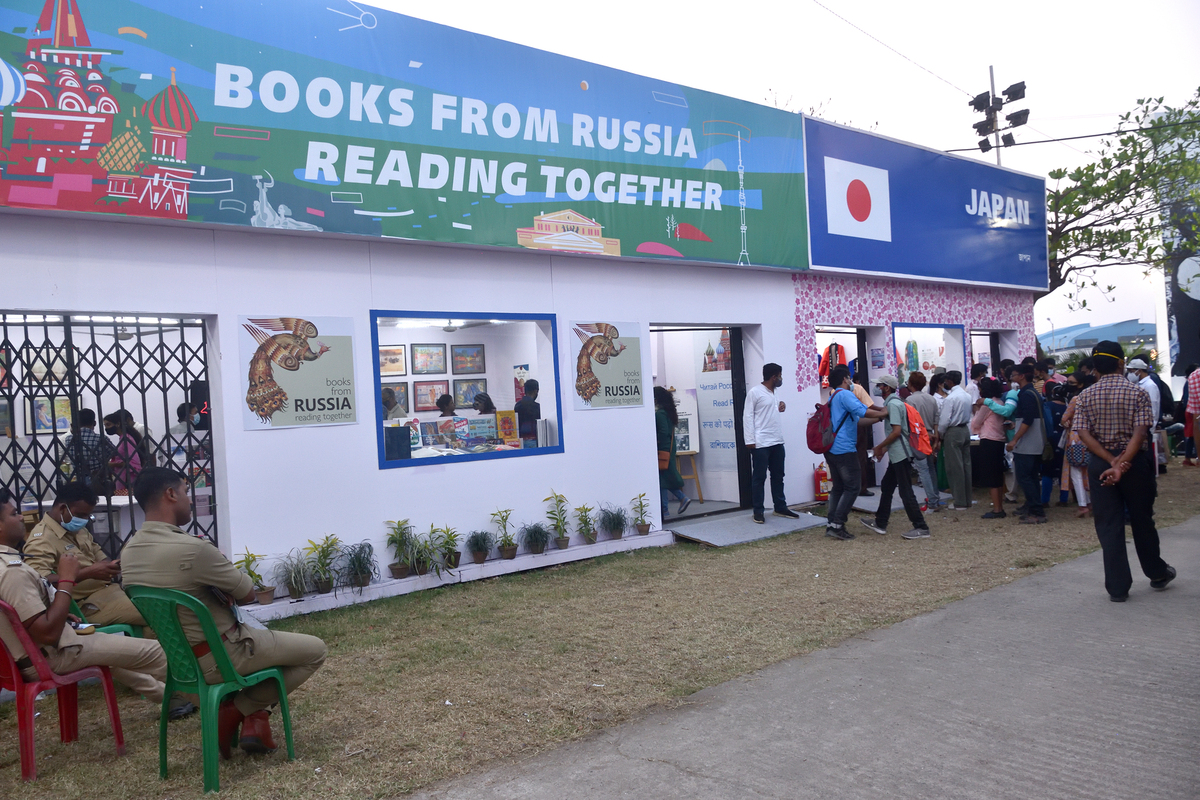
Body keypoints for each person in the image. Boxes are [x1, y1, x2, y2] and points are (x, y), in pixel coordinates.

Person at [121, 468, 328, 757]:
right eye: (185, 492)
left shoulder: (129, 552)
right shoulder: (192, 549)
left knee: (268, 645)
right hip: (224, 658)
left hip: (180, 664)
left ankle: (257, 720)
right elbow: (248, 594)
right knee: (314, 650)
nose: (189, 501)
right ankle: (236, 711)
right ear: (171, 495)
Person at [0, 487, 169, 706]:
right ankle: (212, 696)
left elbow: (29, 612)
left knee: (116, 652)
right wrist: (68, 579)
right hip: (55, 651)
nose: (22, 516)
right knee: (156, 650)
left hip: (56, 642)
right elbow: (48, 634)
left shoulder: (11, 566)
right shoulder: (13, 569)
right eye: (14, 514)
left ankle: (168, 697)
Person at [1072, 341, 1176, 602]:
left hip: (1100, 463)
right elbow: (1141, 432)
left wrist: (1110, 461)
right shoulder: (1137, 393)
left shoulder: (1085, 396)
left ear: (1095, 367)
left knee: (1108, 524)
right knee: (1142, 520)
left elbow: (1083, 434)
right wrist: (1122, 462)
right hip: (1133, 464)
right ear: (1121, 363)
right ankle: (1157, 572)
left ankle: (1118, 588)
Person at [21, 482, 144, 628]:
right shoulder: (41, 540)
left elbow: (100, 556)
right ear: (62, 508)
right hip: (85, 606)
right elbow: (40, 582)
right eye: (80, 515)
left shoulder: (78, 530)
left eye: (87, 515)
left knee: (157, 619)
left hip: (109, 593)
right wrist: (87, 573)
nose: (84, 520)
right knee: (154, 616)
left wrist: (111, 566)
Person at [860, 375, 931, 539]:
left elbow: (897, 431)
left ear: (886, 387)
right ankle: (880, 522)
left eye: (879, 385)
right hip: (898, 454)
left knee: (906, 492)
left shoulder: (893, 405)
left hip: (901, 454)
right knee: (887, 485)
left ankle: (921, 527)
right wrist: (884, 449)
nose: (876, 388)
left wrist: (879, 446)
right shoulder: (895, 403)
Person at [824, 366, 886, 539]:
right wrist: (885, 412)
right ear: (845, 379)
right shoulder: (845, 394)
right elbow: (863, 411)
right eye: (849, 378)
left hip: (833, 449)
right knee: (853, 487)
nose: (851, 381)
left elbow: (858, 421)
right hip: (844, 449)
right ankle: (837, 524)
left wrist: (879, 418)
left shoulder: (833, 396)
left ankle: (831, 524)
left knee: (838, 488)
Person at [743, 363, 801, 524]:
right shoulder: (755, 392)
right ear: (774, 377)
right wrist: (750, 440)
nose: (781, 379)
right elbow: (747, 416)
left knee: (778, 476)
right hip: (760, 442)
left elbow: (770, 411)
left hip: (777, 440)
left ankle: (780, 507)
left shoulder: (774, 392)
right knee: (759, 478)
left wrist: (781, 405)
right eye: (780, 376)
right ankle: (758, 511)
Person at [1006, 364, 1048, 524]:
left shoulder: (1026, 395)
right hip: (1035, 440)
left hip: (1028, 443)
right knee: (1031, 476)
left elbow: (1028, 420)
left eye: (1014, 375)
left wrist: (1015, 439)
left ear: (1022, 376)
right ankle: (1032, 506)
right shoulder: (1033, 392)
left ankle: (1036, 511)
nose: (1012, 378)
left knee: (1025, 477)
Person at [1059, 373, 1096, 518]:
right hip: (1093, 438)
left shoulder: (1076, 399)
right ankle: (1091, 502)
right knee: (1090, 472)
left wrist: (1066, 423)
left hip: (1076, 438)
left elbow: (1064, 418)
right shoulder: (1095, 398)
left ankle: (1082, 504)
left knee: (1076, 473)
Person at [905, 372, 943, 512]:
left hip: (918, 436)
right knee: (930, 468)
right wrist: (936, 438)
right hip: (931, 434)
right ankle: (935, 498)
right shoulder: (931, 399)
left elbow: (910, 422)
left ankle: (932, 502)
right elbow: (936, 421)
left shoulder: (909, 400)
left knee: (923, 470)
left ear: (911, 383)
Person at [971, 378, 1008, 518]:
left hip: (988, 440)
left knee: (991, 477)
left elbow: (975, 424)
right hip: (999, 440)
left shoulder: (986, 406)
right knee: (998, 475)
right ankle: (1000, 505)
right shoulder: (1000, 402)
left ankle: (997, 509)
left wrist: (976, 410)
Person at [938, 371, 973, 511]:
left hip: (953, 431)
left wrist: (940, 435)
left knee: (954, 467)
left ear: (949, 381)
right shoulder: (967, 396)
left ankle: (959, 501)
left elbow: (944, 421)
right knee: (966, 465)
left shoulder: (950, 398)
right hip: (965, 430)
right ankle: (967, 499)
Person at [654, 386, 690, 519]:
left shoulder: (660, 414)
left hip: (662, 451)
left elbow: (663, 433)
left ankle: (668, 507)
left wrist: (657, 446)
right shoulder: (669, 413)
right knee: (664, 479)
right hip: (669, 450)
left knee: (663, 479)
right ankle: (667, 508)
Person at [64, 409, 115, 487]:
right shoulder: (101, 438)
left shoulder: (69, 439)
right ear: (94, 423)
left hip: (79, 480)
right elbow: (114, 454)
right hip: (99, 480)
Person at [103, 411, 143, 495]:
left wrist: (112, 464)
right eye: (105, 425)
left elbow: (133, 462)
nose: (106, 428)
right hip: (122, 477)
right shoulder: (123, 438)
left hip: (127, 479)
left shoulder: (127, 439)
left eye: (108, 425)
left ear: (117, 424)